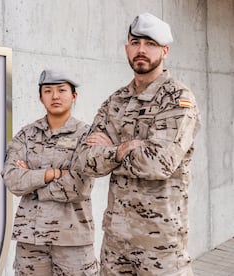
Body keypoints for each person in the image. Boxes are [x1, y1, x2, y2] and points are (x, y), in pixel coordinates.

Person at [78, 13, 201, 275]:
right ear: (127, 48)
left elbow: (159, 163)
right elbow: (85, 160)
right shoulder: (116, 100)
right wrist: (128, 147)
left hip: (161, 248)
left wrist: (111, 150)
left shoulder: (178, 99)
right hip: (115, 244)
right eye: (135, 42)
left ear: (164, 50)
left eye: (150, 43)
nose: (141, 50)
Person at [1, 69, 99, 275]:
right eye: (48, 91)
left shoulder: (87, 136)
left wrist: (33, 182)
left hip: (72, 241)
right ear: (40, 97)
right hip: (31, 240)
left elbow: (79, 186)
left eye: (62, 90)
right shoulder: (26, 134)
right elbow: (11, 179)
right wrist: (53, 174)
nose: (55, 96)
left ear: (74, 96)